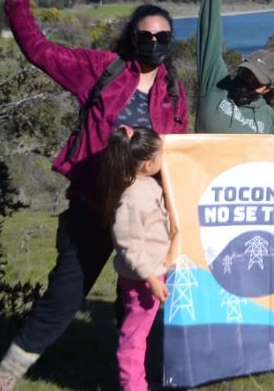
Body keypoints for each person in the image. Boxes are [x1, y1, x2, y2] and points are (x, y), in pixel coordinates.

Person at [0, 0, 188, 391]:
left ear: (170, 42)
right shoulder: (104, 69)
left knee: (138, 300)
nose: (154, 44)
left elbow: (181, 149)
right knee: (64, 299)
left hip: (144, 212)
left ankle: (135, 377)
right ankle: (3, 376)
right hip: (93, 207)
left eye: (163, 37)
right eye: (146, 36)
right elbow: (40, 50)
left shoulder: (173, 89)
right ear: (134, 37)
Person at [102, 126, 171, 391]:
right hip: (142, 280)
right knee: (134, 338)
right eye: (161, 155)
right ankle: (132, 386)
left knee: (140, 334)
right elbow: (129, 247)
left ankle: (138, 383)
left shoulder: (147, 185)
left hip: (153, 274)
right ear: (147, 164)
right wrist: (151, 279)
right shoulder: (131, 198)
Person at [195, 0, 274, 134]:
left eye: (256, 82)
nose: (247, 83)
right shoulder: (215, 87)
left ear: (268, 89)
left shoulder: (267, 117)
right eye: (245, 74)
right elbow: (208, 38)